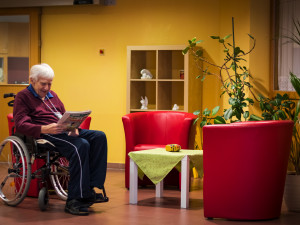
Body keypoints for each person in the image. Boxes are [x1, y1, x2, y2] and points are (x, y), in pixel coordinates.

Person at [13, 63, 108, 216]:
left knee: (99, 137)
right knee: (80, 146)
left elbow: (63, 114)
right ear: (32, 80)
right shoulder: (23, 97)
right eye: (43, 83)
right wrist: (43, 128)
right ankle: (74, 200)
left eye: (49, 83)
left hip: (63, 130)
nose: (46, 87)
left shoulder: (53, 95)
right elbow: (21, 124)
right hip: (45, 133)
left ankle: (90, 188)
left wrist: (72, 124)